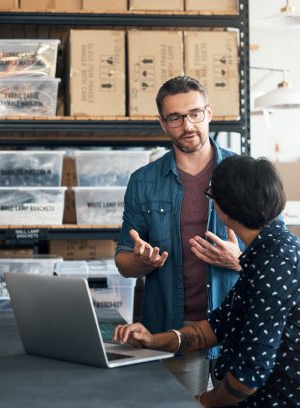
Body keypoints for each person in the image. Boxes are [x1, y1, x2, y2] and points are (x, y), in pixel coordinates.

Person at [114, 155, 300, 408]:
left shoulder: (275, 261)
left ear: (224, 208)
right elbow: (215, 327)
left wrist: (203, 402)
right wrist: (153, 339)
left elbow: (251, 372)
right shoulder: (263, 252)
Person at [115, 76, 243, 395]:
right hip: (174, 332)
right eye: (175, 117)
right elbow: (123, 261)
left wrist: (240, 260)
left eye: (195, 114)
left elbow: (283, 258)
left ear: (209, 113)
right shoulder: (143, 182)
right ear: (162, 123)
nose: (187, 125)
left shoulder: (246, 173)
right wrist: (141, 262)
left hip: (238, 331)